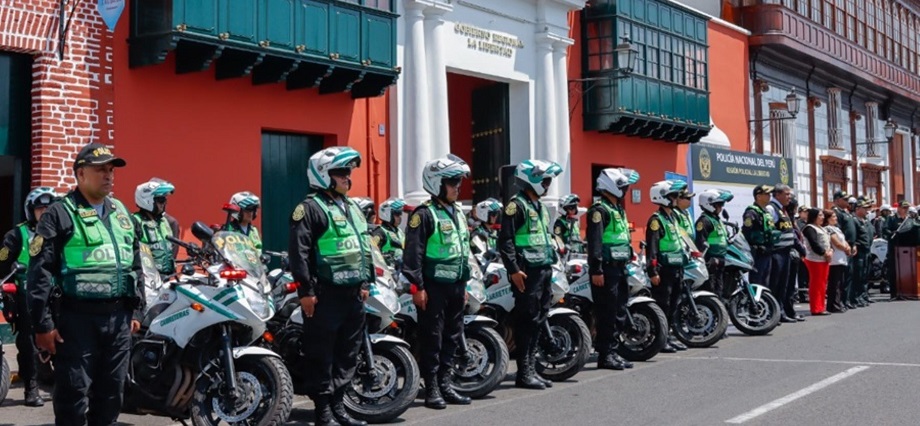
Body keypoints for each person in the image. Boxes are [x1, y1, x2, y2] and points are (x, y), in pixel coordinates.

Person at [28, 143, 145, 425]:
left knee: (112, 395)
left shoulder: (122, 212)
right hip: (77, 320)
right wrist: (43, 325)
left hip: (119, 321)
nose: (109, 175)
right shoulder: (59, 213)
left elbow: (136, 264)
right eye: (100, 170)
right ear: (81, 174)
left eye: (111, 170)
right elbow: (39, 272)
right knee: (73, 395)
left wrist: (137, 311)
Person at [289, 146, 372, 426]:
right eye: (341, 173)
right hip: (324, 295)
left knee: (348, 353)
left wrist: (365, 282)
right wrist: (306, 292)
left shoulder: (352, 207)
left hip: (353, 294)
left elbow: (363, 246)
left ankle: (339, 405)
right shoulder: (309, 208)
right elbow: (299, 253)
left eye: (349, 172)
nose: (348, 178)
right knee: (321, 354)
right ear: (324, 175)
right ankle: (323, 410)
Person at [402, 154, 474, 409]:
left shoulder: (458, 212)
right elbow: (413, 255)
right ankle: (431, 388)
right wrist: (417, 287)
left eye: (459, 182)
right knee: (432, 338)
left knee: (452, 336)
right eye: (452, 182)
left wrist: (464, 286)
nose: (458, 187)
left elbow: (463, 250)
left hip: (456, 285)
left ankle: (446, 383)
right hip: (432, 288)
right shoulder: (423, 214)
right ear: (437, 183)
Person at [498, 159, 563, 390]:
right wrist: (514, 270)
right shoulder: (516, 206)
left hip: (543, 269)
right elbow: (505, 241)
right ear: (531, 180)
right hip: (526, 273)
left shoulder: (541, 207)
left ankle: (532, 370)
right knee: (527, 321)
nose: (547, 185)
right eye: (544, 180)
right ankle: (524, 373)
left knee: (539, 319)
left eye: (548, 181)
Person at [0, 187, 60, 407]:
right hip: (27, 297)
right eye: (40, 208)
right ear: (30, 210)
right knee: (28, 344)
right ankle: (31, 389)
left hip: (57, 295)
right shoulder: (17, 235)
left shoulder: (63, 233)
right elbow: (2, 264)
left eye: (49, 208)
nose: (45, 212)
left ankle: (63, 386)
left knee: (65, 339)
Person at [586, 168, 639, 371]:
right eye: (622, 187)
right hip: (606, 270)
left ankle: (613, 351)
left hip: (620, 267)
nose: (625, 190)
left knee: (619, 311)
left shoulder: (617, 209)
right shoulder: (599, 211)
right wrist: (597, 270)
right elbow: (595, 243)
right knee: (607, 313)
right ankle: (605, 354)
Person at [646, 180, 690, 353]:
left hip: (677, 267)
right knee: (663, 305)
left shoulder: (673, 217)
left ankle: (668, 337)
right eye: (672, 196)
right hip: (663, 270)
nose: (676, 199)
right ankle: (660, 340)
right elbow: (652, 248)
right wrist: (653, 271)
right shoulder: (656, 220)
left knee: (673, 305)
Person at [767, 184, 803, 323]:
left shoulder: (783, 210)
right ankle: (775, 313)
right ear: (777, 195)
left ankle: (781, 312)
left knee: (784, 284)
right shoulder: (772, 208)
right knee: (775, 284)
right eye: (787, 194)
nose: (789, 197)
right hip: (777, 252)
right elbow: (769, 230)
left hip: (786, 251)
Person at [132, 178, 177, 277]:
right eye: (161, 200)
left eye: (165, 200)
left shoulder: (164, 221)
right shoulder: (136, 221)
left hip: (167, 276)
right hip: (147, 278)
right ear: (147, 200)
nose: (164, 204)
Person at [695, 189, 733, 301]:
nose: (721, 207)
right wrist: (706, 261)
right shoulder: (704, 221)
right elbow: (700, 243)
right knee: (710, 291)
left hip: (720, 260)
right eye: (719, 204)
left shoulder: (716, 219)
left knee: (719, 290)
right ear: (709, 204)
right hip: (710, 262)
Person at [742, 185, 775, 288]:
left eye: (769, 194)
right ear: (758, 196)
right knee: (757, 281)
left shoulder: (766, 212)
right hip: (758, 253)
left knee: (766, 282)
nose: (769, 196)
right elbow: (746, 231)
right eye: (766, 194)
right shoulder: (751, 212)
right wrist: (754, 246)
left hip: (768, 251)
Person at [801, 208, 832, 316]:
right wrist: (824, 253)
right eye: (820, 215)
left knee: (822, 284)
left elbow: (827, 242)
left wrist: (830, 252)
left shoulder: (821, 228)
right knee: (816, 284)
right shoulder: (809, 228)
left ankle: (821, 306)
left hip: (824, 259)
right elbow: (814, 244)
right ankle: (815, 308)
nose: (822, 217)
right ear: (814, 216)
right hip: (814, 259)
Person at [831, 191, 857, 309]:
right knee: (842, 277)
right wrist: (846, 246)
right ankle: (841, 301)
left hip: (850, 246)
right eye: (845, 199)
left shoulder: (846, 212)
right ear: (837, 200)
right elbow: (839, 232)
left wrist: (853, 244)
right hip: (843, 247)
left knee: (849, 275)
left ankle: (847, 300)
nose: (847, 202)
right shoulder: (836, 212)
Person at [824, 210, 850, 313]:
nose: (836, 218)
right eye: (833, 217)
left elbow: (843, 240)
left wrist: (848, 246)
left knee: (840, 283)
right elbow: (837, 243)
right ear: (828, 218)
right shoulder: (828, 228)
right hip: (835, 259)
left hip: (841, 258)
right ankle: (834, 305)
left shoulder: (837, 228)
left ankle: (838, 303)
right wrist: (846, 248)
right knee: (835, 284)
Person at [371, 197, 406, 269]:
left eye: (400, 214)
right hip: (387, 270)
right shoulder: (380, 232)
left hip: (402, 268)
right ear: (387, 214)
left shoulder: (400, 231)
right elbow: (372, 251)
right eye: (397, 214)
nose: (400, 217)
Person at [852, 198, 874, 307]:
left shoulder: (865, 221)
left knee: (865, 274)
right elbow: (853, 236)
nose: (867, 210)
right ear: (857, 209)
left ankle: (864, 295)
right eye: (864, 208)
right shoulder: (854, 220)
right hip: (860, 251)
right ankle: (857, 297)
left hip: (867, 251)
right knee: (858, 275)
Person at [884, 201, 910, 297]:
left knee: (905, 270)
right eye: (904, 208)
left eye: (907, 208)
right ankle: (894, 293)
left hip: (906, 248)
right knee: (894, 270)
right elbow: (885, 229)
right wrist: (892, 233)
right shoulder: (891, 218)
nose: (906, 210)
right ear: (898, 208)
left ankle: (906, 291)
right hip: (894, 247)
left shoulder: (908, 219)